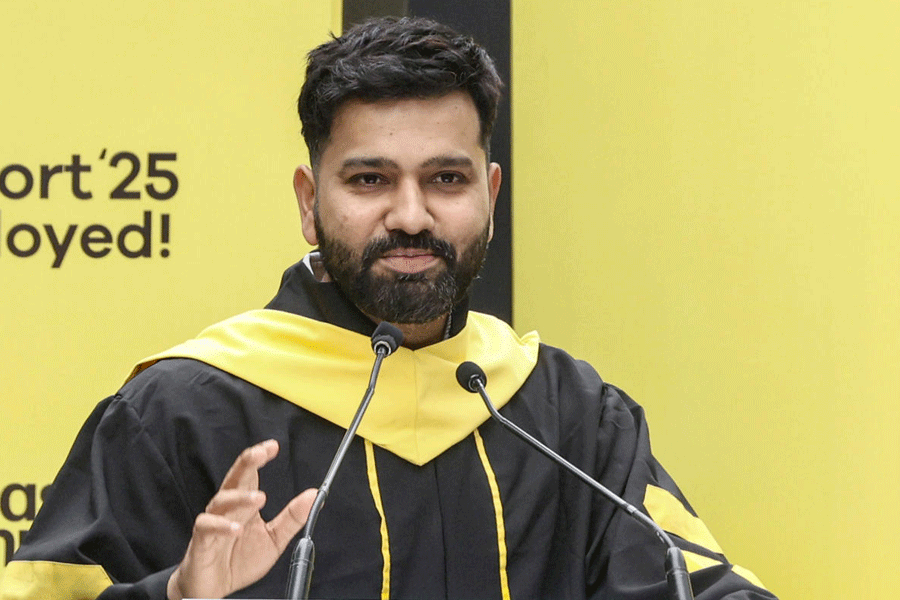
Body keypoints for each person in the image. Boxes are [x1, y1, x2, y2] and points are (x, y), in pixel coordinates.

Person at [0, 16, 777, 600]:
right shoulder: (179, 413)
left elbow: (697, 583)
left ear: (491, 196)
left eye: (446, 179)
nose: (411, 215)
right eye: (370, 180)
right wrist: (175, 595)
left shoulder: (569, 417)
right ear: (310, 203)